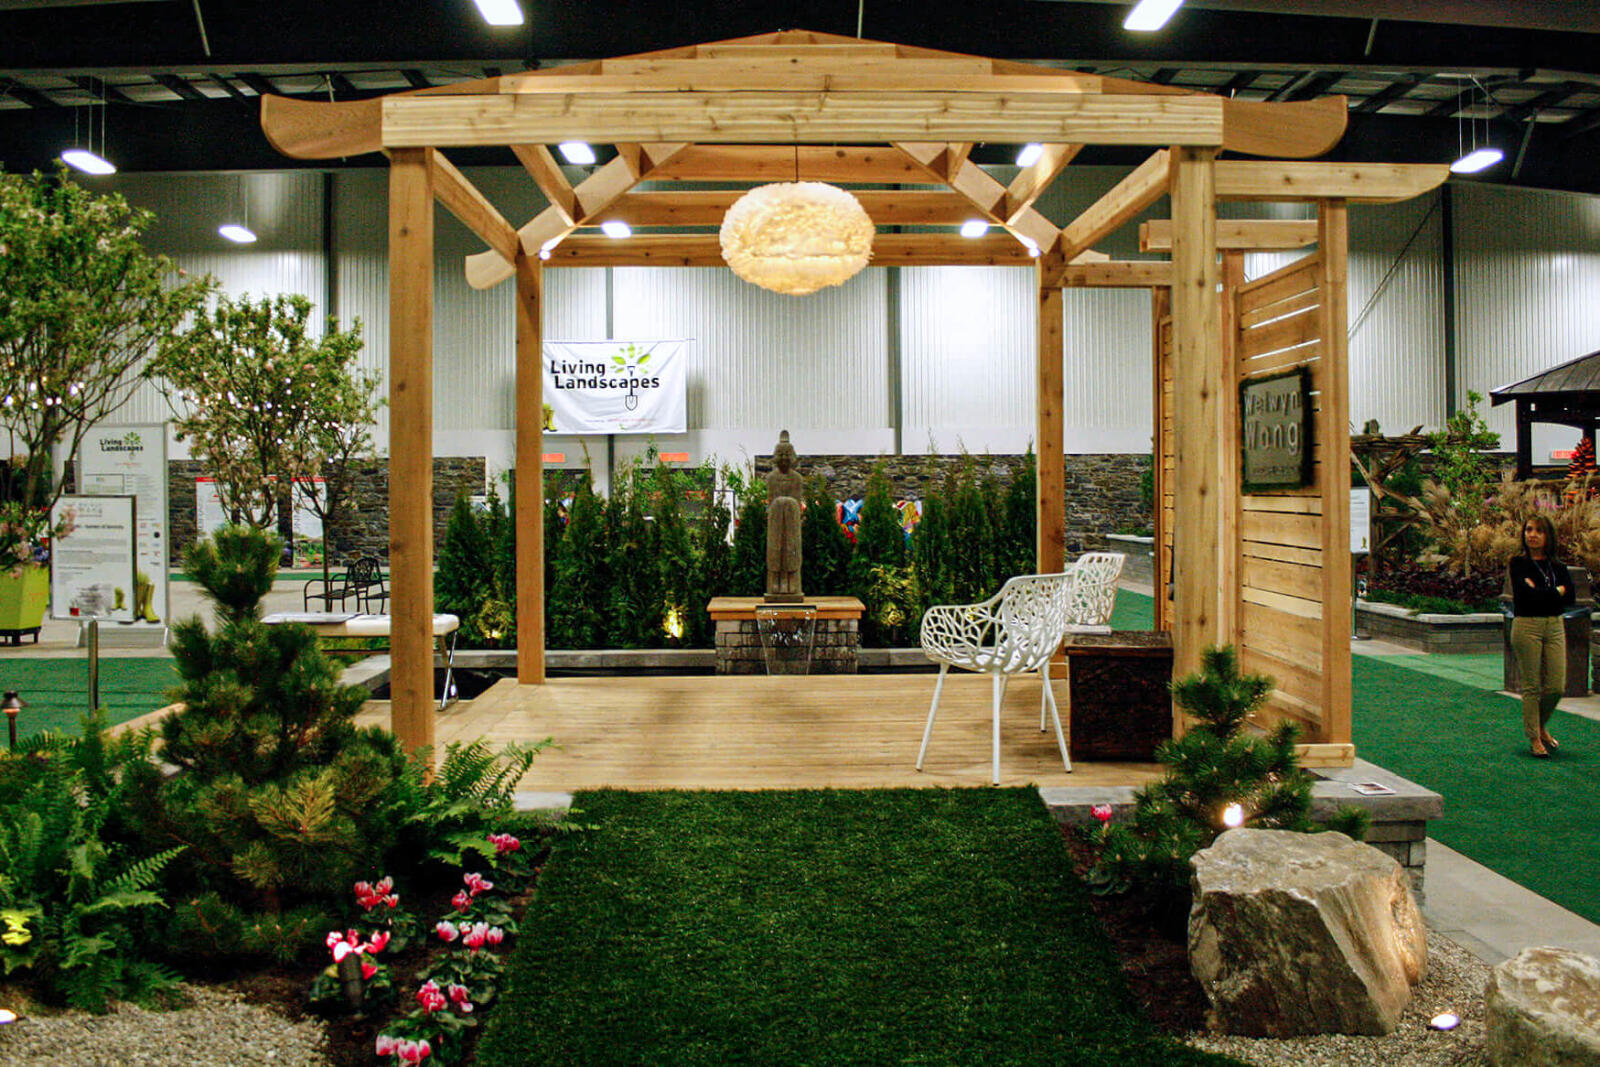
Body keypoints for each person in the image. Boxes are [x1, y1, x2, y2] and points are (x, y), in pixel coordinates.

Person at [1508, 514, 1574, 757]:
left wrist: (1543, 592)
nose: (1532, 535)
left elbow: (1570, 597)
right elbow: (1526, 597)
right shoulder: (1518, 564)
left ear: (1548, 536)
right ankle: (1534, 737)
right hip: (1527, 626)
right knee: (1532, 685)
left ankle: (1541, 724)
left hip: (1554, 625)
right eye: (1528, 530)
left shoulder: (1558, 567)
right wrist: (1555, 591)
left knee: (1557, 685)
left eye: (1538, 531)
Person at [764, 431, 804, 602]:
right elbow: (771, 502)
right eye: (780, 454)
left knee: (791, 551)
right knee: (775, 551)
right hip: (776, 522)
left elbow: (796, 501)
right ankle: (775, 583)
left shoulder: (796, 478)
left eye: (787, 454)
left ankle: (792, 583)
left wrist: (787, 505)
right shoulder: (772, 478)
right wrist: (780, 505)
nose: (784, 458)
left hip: (791, 522)